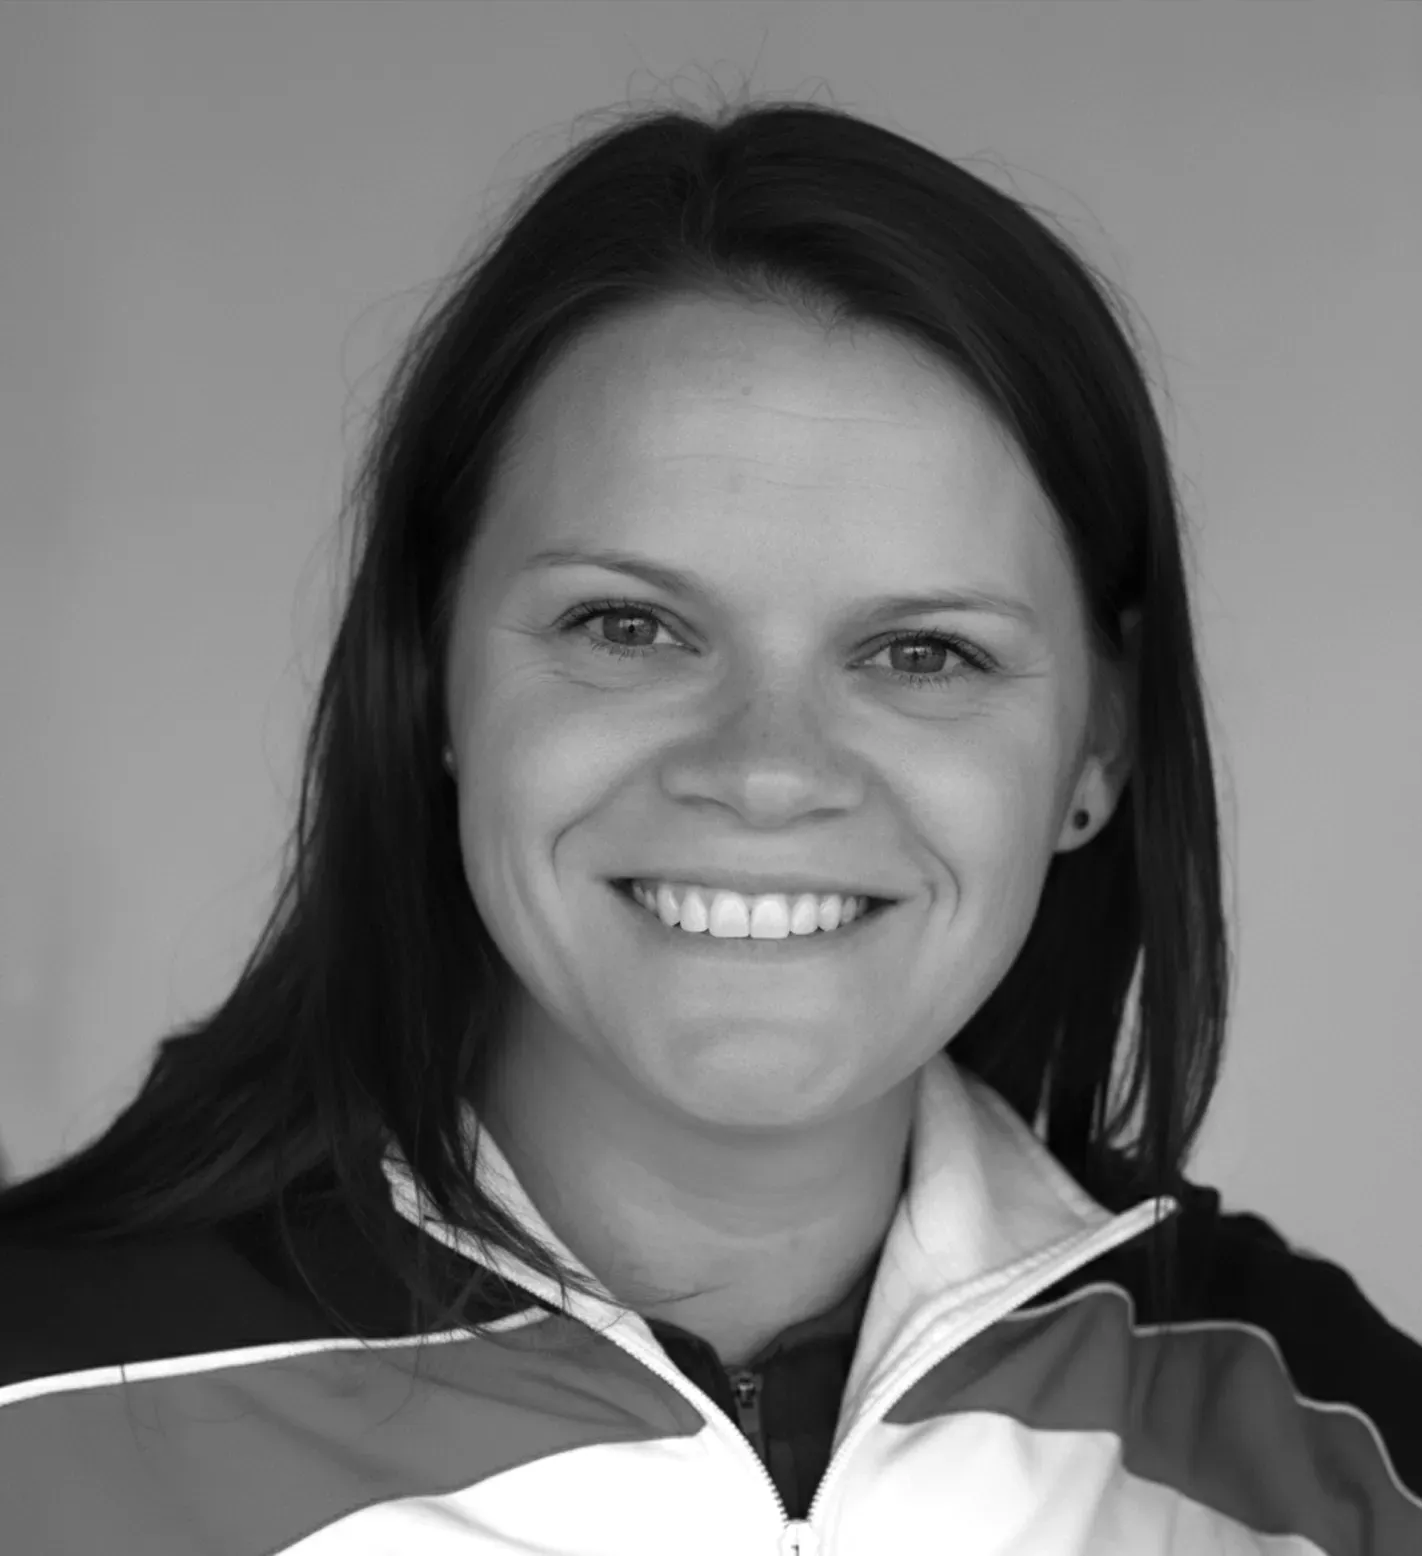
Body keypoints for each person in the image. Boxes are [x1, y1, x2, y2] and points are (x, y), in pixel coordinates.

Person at [1, 94, 1418, 1556]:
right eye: (628, 626)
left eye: (922, 653)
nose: (766, 772)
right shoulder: (33, 1424)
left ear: (1098, 744)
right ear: (430, 677)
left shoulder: (1340, 1461)